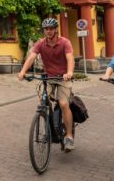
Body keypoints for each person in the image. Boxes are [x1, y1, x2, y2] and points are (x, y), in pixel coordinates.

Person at [18, 17, 76, 151]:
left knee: (63, 104)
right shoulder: (40, 43)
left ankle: (69, 136)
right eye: (46, 29)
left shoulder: (65, 42)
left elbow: (70, 58)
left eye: (51, 29)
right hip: (48, 77)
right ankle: (49, 127)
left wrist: (69, 72)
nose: (48, 31)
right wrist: (22, 71)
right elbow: (32, 57)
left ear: (56, 29)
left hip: (63, 78)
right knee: (42, 101)